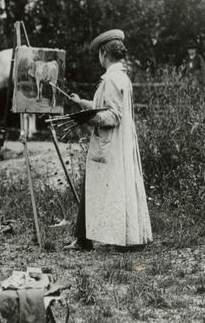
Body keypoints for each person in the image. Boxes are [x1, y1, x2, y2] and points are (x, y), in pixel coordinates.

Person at [64, 29, 152, 250]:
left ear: (104, 53)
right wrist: (82, 102)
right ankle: (107, 238)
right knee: (111, 186)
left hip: (111, 144)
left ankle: (102, 240)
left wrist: (87, 119)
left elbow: (112, 115)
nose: (99, 59)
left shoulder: (111, 80)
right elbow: (106, 105)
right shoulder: (121, 78)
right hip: (118, 145)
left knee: (103, 187)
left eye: (99, 55)